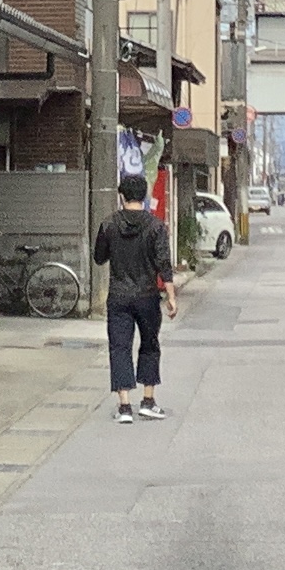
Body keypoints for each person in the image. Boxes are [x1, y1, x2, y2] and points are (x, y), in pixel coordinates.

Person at [95, 174, 175, 423]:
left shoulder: (108, 224)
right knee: (150, 345)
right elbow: (163, 262)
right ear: (144, 196)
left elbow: (99, 257)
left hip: (119, 296)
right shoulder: (156, 226)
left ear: (122, 196)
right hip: (147, 296)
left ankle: (124, 407)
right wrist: (171, 296)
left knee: (119, 347)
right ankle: (148, 402)